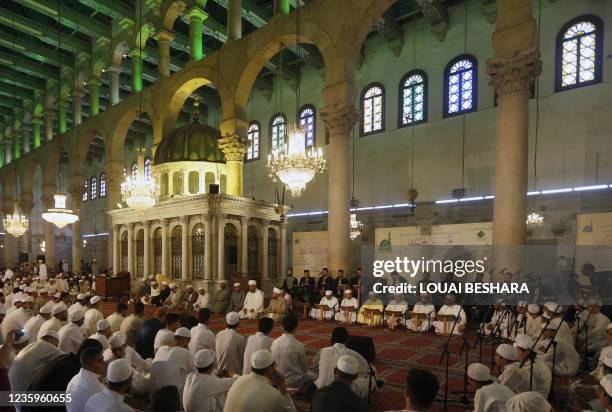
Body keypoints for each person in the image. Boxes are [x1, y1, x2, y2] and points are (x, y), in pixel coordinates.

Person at [224, 349, 296, 412]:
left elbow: (236, 376)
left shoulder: (240, 379)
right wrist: (282, 387)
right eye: (274, 365)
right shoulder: (274, 394)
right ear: (270, 369)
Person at [312, 327, 372, 398]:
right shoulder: (353, 354)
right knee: (370, 379)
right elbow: (370, 370)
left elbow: (314, 367)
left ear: (332, 339)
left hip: (320, 390)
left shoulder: (322, 351)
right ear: (347, 340)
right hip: (343, 394)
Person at [150, 327, 196, 401]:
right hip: (172, 400)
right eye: (188, 342)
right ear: (184, 341)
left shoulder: (161, 349)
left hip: (153, 396)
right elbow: (196, 372)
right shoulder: (185, 352)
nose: (188, 345)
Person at [271, 314, 311, 389]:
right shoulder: (299, 345)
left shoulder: (275, 343)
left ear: (283, 327)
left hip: (277, 380)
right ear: (296, 328)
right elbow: (304, 368)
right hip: (294, 382)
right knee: (314, 377)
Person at [65, 346, 106, 412]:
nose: (104, 363)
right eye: (100, 361)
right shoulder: (96, 388)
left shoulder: (74, 379)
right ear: (87, 365)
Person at [513, 334, 551, 398]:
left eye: (518, 351)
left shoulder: (532, 366)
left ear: (526, 352)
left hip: (537, 398)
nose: (516, 354)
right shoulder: (534, 361)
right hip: (538, 393)